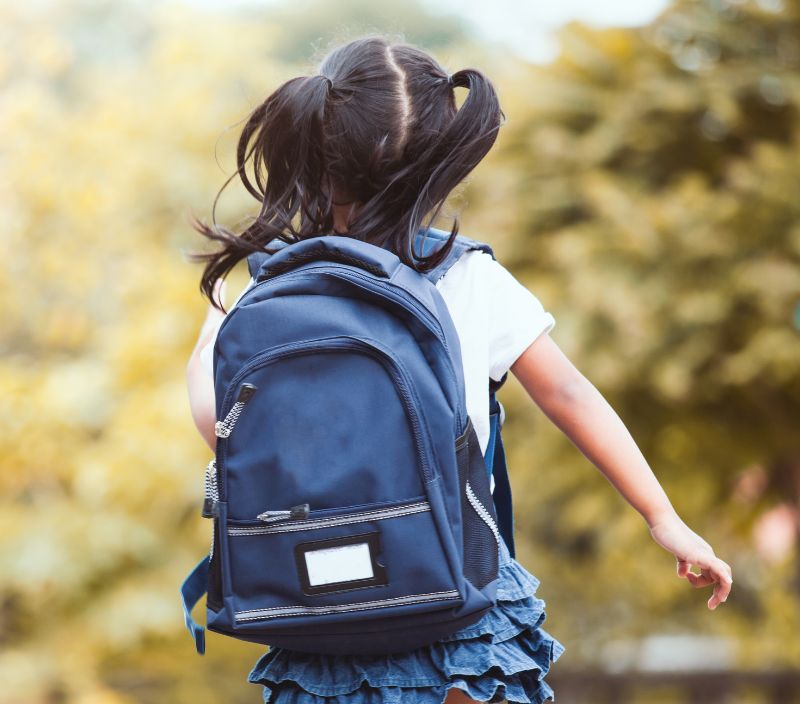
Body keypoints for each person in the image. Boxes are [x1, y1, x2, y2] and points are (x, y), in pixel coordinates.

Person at [184, 34, 733, 704]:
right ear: (439, 167)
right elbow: (568, 393)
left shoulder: (270, 287)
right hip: (455, 601)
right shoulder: (468, 276)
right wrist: (661, 515)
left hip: (315, 615)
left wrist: (223, 315)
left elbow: (218, 426)